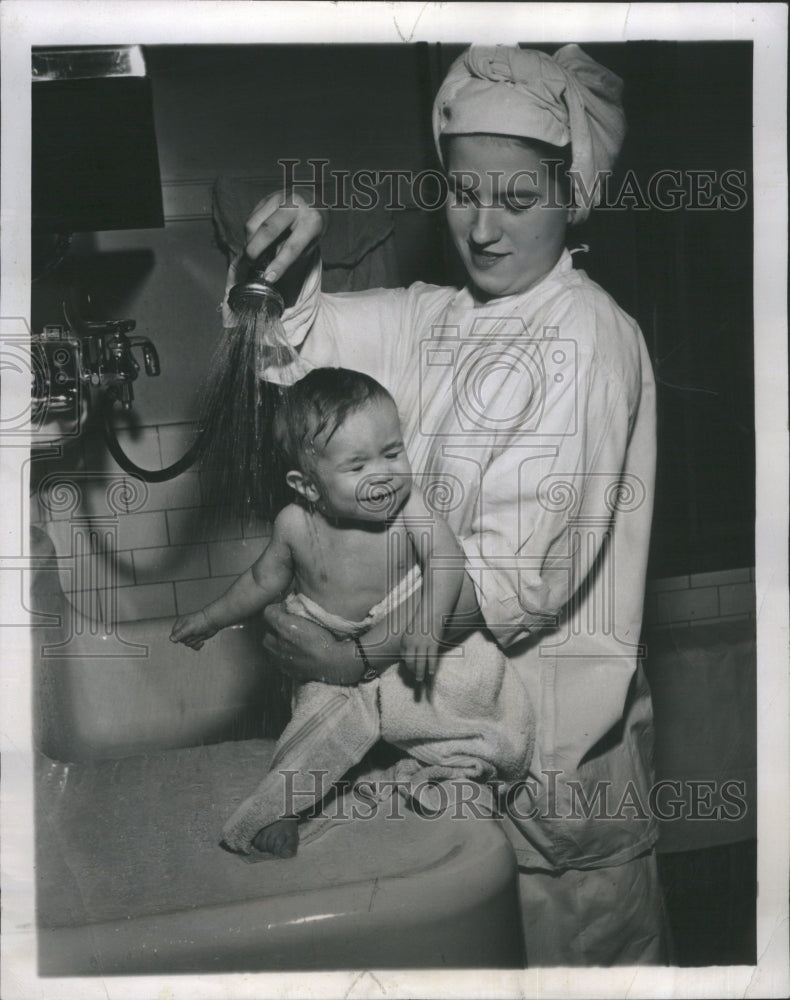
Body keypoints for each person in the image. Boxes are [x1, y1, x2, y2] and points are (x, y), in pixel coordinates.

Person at [224, 43, 669, 965]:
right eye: (464, 194)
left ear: (571, 195)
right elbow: (298, 347)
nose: (484, 229)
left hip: (556, 796)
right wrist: (281, 261)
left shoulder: (585, 337)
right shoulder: (444, 315)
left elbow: (516, 586)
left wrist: (354, 653)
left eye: (517, 200)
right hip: (459, 773)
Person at [171, 366, 534, 858]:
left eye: (392, 452)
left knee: (459, 690)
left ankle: (461, 766)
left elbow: (447, 560)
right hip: (329, 647)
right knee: (314, 725)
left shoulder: (412, 510)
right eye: (358, 466)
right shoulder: (295, 526)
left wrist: (427, 622)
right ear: (308, 486)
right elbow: (262, 580)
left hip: (405, 634)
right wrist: (211, 619)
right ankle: (284, 808)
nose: (383, 473)